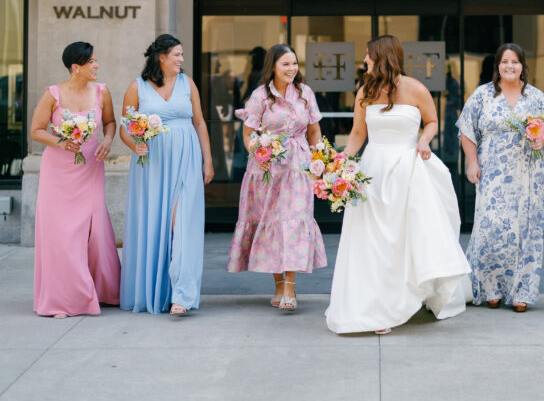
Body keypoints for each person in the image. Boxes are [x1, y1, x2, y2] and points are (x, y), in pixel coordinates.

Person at [326, 35, 471, 335]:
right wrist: (338, 165)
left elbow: (431, 121)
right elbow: (356, 134)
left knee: (402, 238)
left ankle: (401, 299)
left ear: (381, 57)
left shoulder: (416, 88)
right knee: (372, 241)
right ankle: (373, 305)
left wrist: (423, 140)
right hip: (373, 171)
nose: (364, 61)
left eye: (368, 56)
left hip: (407, 170)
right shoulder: (364, 90)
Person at [458, 42, 544, 311]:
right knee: (492, 228)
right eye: (505, 62)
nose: (510, 66)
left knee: (527, 231)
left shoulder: (536, 97)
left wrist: (542, 139)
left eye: (515, 62)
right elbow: (466, 130)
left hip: (529, 173)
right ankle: (492, 286)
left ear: (522, 66)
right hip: (493, 172)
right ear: (498, 67)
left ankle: (522, 292)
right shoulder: (483, 95)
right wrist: (472, 162)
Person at [227, 44, 327, 310]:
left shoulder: (305, 94)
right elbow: (247, 134)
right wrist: (260, 151)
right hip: (267, 169)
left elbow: (314, 132)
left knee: (293, 220)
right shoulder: (260, 96)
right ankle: (278, 284)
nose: (292, 69)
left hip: (297, 167)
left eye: (294, 63)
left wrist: (320, 159)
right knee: (269, 220)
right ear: (273, 66)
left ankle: (291, 287)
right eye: (286, 64)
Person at [119, 34, 214, 315]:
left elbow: (199, 122)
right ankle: (159, 293)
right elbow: (126, 126)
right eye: (177, 55)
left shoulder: (188, 84)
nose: (181, 60)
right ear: (161, 57)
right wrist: (134, 144)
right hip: (152, 164)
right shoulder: (137, 87)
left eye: (182, 55)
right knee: (155, 226)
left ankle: (182, 296)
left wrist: (208, 160)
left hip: (186, 158)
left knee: (182, 224)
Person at [31, 41, 120, 317]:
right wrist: (60, 141)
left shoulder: (102, 92)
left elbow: (110, 122)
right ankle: (63, 299)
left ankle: (103, 290)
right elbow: (36, 130)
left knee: (95, 230)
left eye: (95, 61)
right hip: (58, 170)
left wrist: (107, 139)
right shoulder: (53, 94)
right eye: (91, 62)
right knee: (62, 233)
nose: (96, 66)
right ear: (76, 67)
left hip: (91, 166)